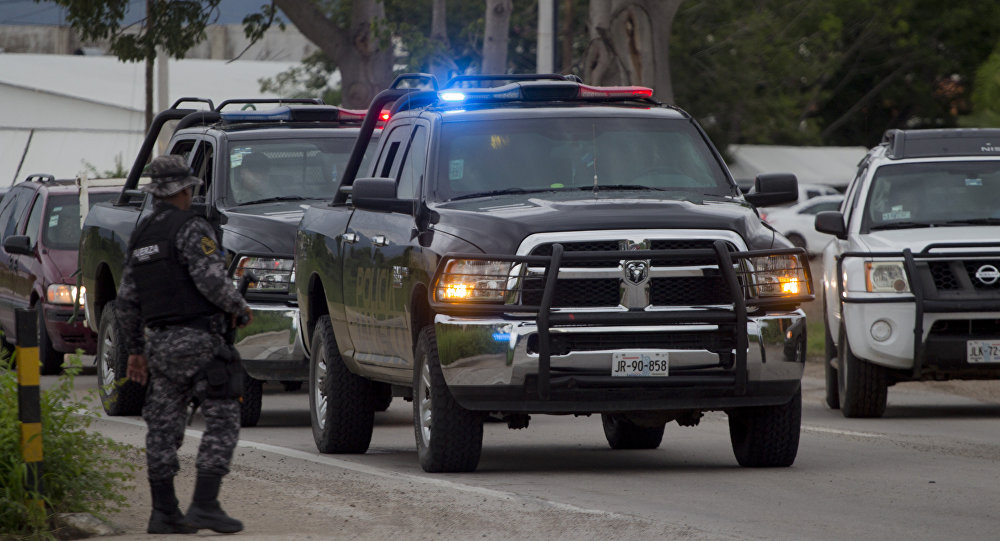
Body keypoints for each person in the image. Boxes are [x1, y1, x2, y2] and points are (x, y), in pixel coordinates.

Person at [118, 155, 253, 534]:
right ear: (181, 190)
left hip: (158, 344)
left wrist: (134, 350)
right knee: (224, 413)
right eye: (190, 188)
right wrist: (239, 308)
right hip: (197, 341)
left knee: (162, 426)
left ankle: (163, 512)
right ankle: (205, 505)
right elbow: (211, 280)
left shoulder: (142, 234)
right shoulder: (192, 227)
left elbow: (127, 301)